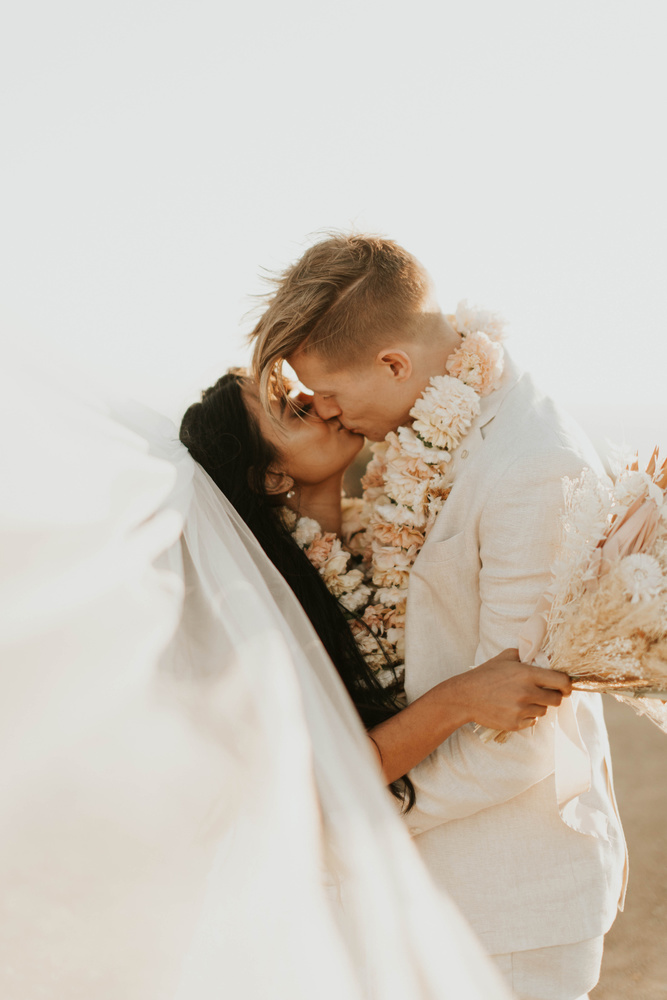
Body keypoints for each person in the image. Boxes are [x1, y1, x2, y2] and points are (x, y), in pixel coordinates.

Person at [249, 234, 628, 1000]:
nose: (320, 409)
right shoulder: (417, 427)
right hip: (423, 900)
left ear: (393, 363)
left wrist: (346, 814)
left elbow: (514, 743)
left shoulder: (530, 465)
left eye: (327, 391)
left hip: (506, 910)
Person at [179, 369, 571, 806]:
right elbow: (317, 774)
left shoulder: (384, 534)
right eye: (291, 410)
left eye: (297, 391)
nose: (320, 402)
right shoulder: (260, 600)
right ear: (271, 478)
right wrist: (462, 698)